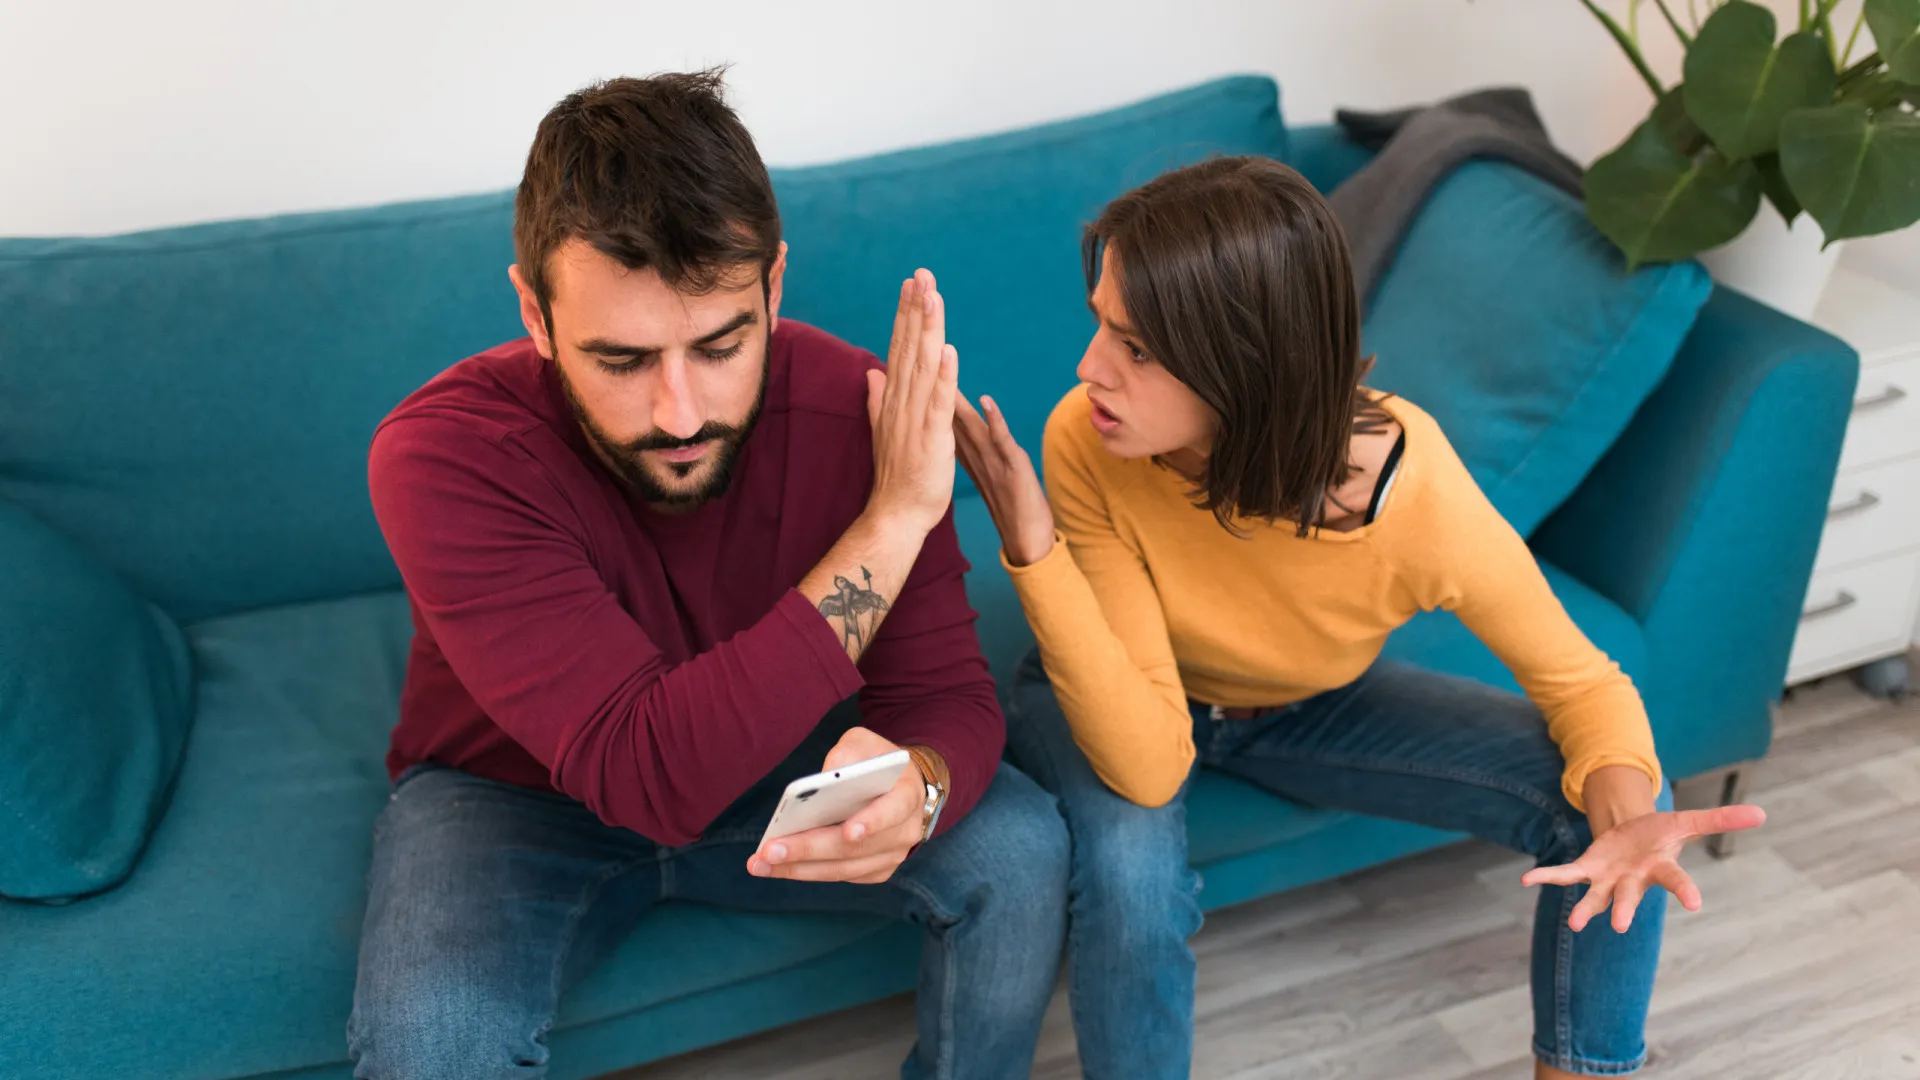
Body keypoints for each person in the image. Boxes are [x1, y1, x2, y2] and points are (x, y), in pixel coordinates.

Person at [953, 155, 1766, 1080]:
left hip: (1305, 704)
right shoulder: (1087, 436)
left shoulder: (1414, 495)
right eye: (1102, 322)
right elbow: (1148, 762)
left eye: (1135, 348)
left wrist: (1628, 809)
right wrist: (1034, 549)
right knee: (1133, 892)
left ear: (1246, 365)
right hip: (1114, 689)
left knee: (1620, 811)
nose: (1088, 367)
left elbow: (1584, 685)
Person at [350, 71, 1068, 1080]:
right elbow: (651, 775)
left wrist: (925, 787)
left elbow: (945, 696)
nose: (681, 414)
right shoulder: (445, 454)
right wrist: (895, 519)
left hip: (783, 759)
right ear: (535, 315)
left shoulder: (856, 409)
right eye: (622, 361)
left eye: (721, 345)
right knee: (432, 1041)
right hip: (511, 795)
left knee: (1022, 851)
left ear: (773, 287)